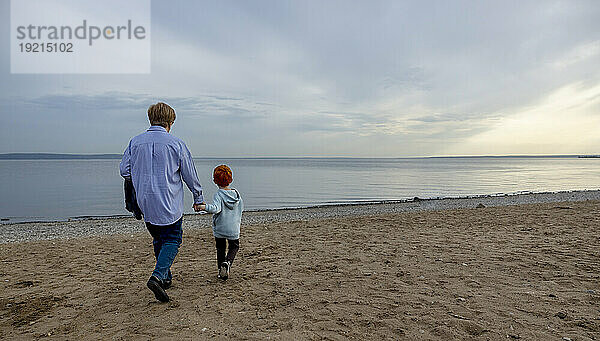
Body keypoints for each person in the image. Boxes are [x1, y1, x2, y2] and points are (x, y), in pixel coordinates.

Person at [119, 102, 204, 302]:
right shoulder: (176, 143)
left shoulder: (135, 142)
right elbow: (189, 174)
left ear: (150, 119)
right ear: (170, 122)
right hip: (169, 201)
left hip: (145, 202)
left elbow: (125, 171)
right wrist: (198, 196)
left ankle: (165, 278)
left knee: (158, 239)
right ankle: (158, 276)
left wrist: (143, 177)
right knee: (173, 239)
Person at [196, 165, 243, 280]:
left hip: (220, 228)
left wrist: (203, 207)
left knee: (220, 248)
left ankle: (220, 270)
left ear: (215, 181)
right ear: (230, 179)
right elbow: (241, 209)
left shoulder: (219, 194)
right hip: (233, 228)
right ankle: (227, 263)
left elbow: (216, 209)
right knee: (234, 247)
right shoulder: (237, 196)